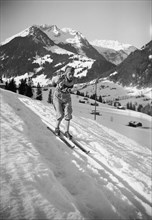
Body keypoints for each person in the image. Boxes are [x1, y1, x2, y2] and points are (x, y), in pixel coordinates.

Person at [50, 66, 76, 139]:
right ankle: (57, 128)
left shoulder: (72, 81)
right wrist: (55, 82)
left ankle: (66, 131)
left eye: (72, 74)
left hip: (67, 97)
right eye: (70, 74)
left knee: (68, 113)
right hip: (57, 97)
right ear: (66, 73)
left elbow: (71, 89)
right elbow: (53, 80)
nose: (71, 76)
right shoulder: (60, 78)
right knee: (60, 114)